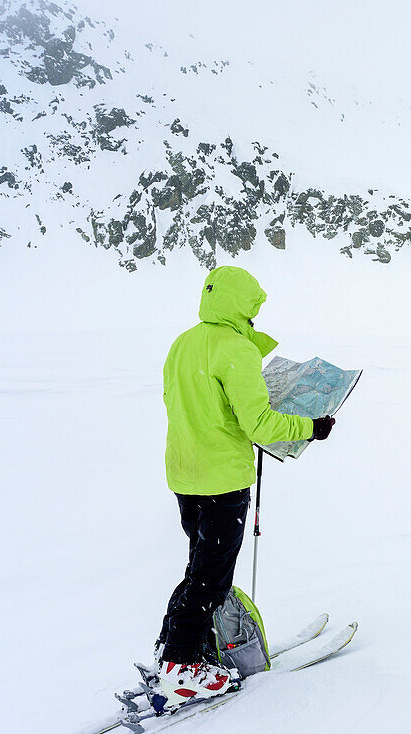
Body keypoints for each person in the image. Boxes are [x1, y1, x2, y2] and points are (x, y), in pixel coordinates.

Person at [153, 265, 334, 711]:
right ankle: (182, 667)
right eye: (253, 309)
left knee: (201, 570)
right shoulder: (235, 349)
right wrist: (312, 426)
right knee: (211, 580)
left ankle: (173, 649)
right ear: (240, 304)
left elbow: (180, 404)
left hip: (185, 477)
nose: (255, 318)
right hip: (222, 481)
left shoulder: (184, 343)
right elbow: (261, 425)